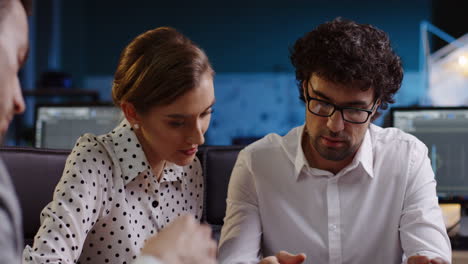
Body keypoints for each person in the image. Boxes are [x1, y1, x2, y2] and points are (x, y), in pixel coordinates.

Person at [218, 18, 451, 264]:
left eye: (353, 110)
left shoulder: (408, 157)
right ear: (306, 88)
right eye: (321, 103)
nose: (334, 125)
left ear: (377, 107)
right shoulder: (257, 163)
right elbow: (235, 259)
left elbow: (431, 251)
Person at [20, 26, 217, 263]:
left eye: (206, 113)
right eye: (177, 123)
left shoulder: (190, 169)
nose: (198, 138)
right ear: (132, 113)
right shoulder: (95, 162)